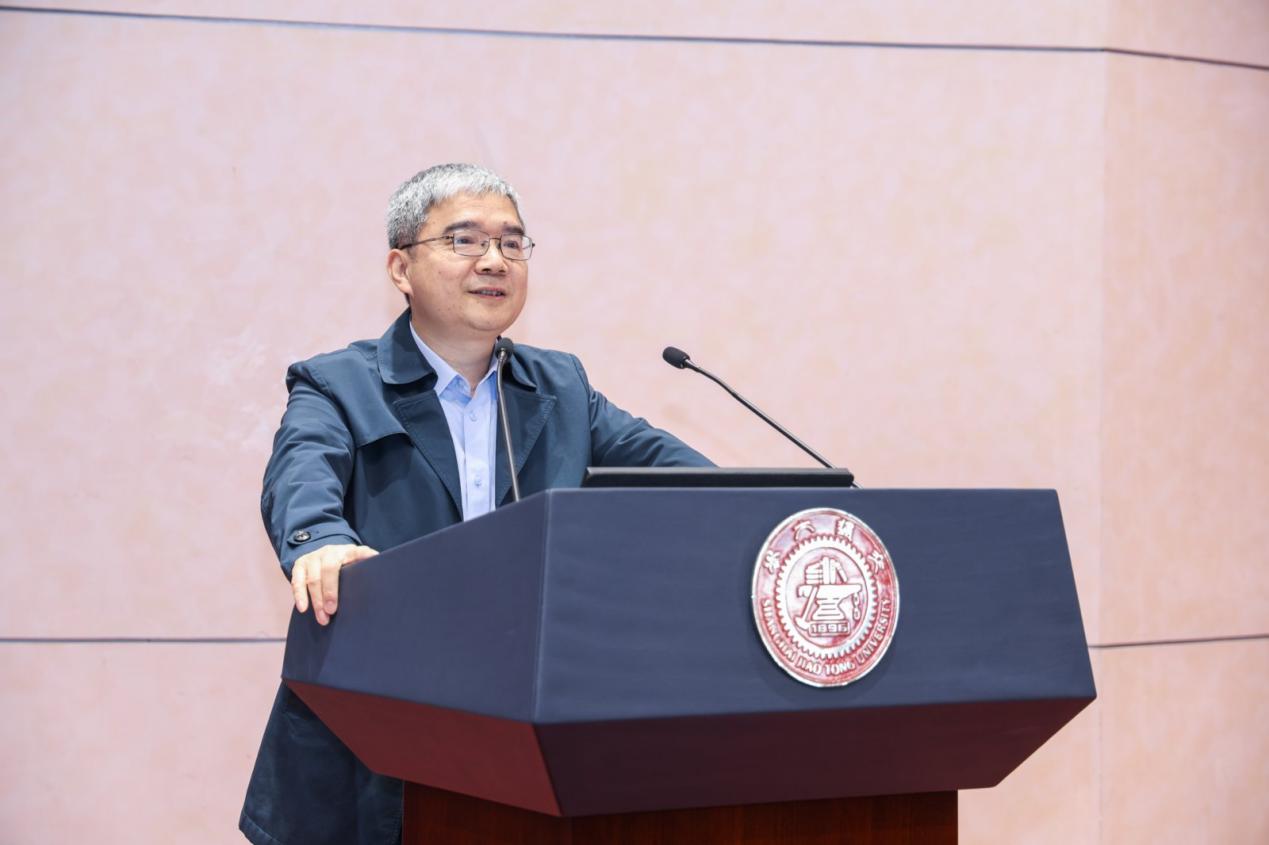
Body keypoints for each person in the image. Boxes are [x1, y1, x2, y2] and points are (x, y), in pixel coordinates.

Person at [239, 163, 711, 845]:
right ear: (401, 268)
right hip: (370, 749)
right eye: (464, 240)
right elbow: (300, 474)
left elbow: (684, 476)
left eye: (512, 243)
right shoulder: (339, 384)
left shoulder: (559, 387)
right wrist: (320, 540)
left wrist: (773, 514)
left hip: (524, 742)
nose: (494, 260)